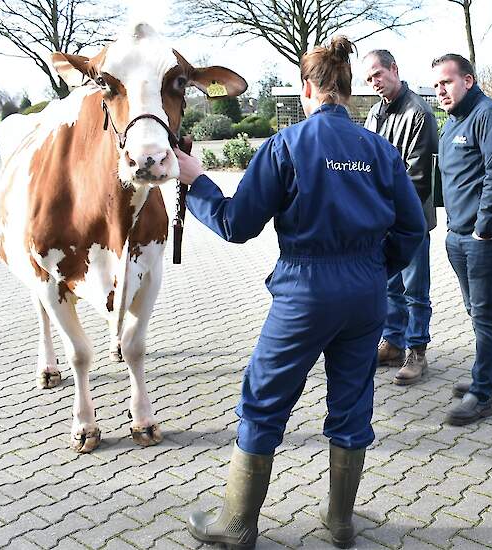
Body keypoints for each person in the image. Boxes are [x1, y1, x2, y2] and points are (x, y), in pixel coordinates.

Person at [177, 37, 426, 549]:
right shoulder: (379, 149)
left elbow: (236, 223)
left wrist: (198, 180)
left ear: (307, 87)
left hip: (306, 292)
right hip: (365, 293)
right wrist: (375, 272)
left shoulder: (285, 146)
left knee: (264, 401)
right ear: (349, 90)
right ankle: (340, 524)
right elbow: (413, 226)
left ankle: (238, 524)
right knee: (353, 402)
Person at [431, 54, 492, 426]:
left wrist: (482, 228)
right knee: (478, 311)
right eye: (436, 84)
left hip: (490, 236)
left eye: (447, 82)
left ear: (468, 81)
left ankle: (482, 395)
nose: (440, 90)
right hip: (459, 235)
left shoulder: (491, 116)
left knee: (485, 313)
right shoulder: (452, 123)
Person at [362, 49, 439, 386]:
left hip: (411, 221)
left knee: (415, 289)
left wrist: (381, 204)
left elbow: (418, 177)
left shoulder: (419, 113)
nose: (374, 82)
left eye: (378, 74)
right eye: (368, 79)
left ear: (394, 68)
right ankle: (392, 343)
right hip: (381, 219)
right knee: (389, 286)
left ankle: (417, 351)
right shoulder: (375, 114)